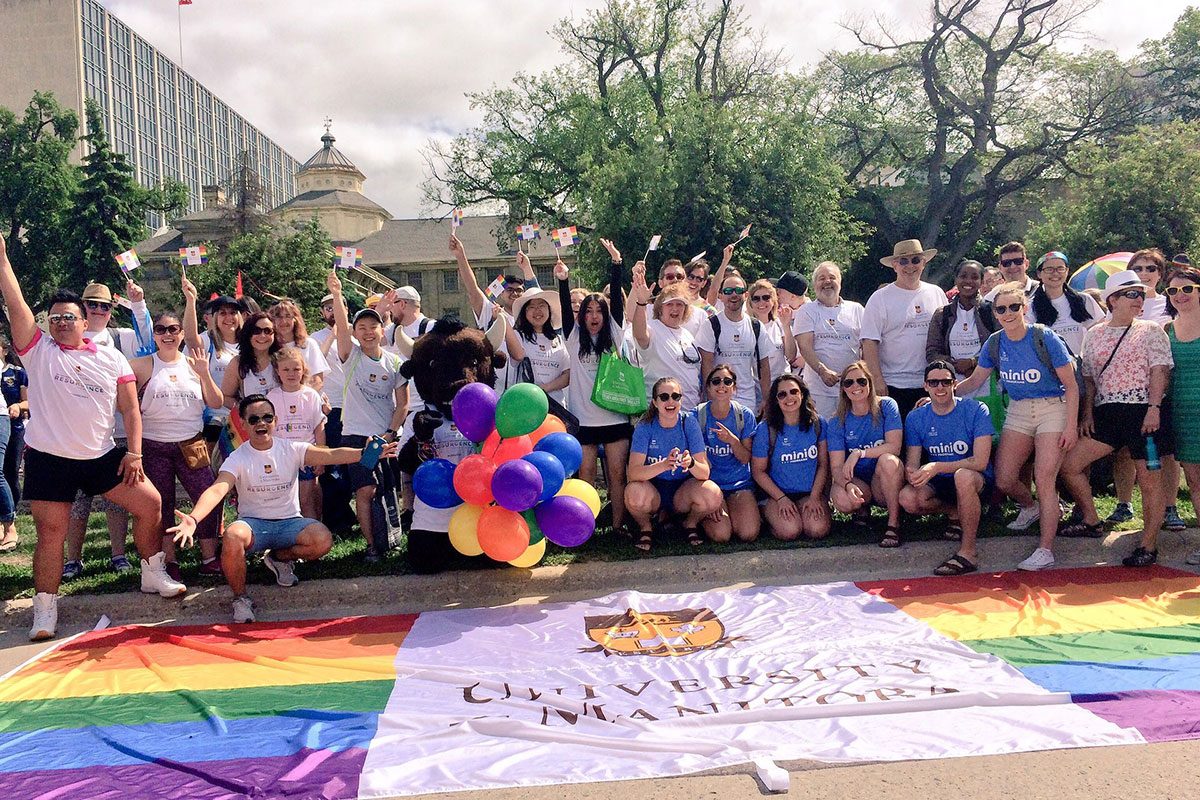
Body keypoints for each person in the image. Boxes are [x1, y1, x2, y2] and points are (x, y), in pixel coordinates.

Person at [0, 233, 185, 641]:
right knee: (52, 533)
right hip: (50, 459)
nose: (62, 322)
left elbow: (130, 408)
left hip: (103, 456)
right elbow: (14, 302)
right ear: (47, 325)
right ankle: (45, 609)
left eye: (70, 316)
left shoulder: (112, 356)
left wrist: (133, 453)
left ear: (87, 321)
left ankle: (152, 572)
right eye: (55, 318)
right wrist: (3, 259)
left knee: (151, 504)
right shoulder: (38, 350)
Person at [168, 394, 395, 623]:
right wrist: (193, 519)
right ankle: (240, 598)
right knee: (233, 535)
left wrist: (365, 454)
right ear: (244, 425)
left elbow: (330, 454)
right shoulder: (237, 458)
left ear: (276, 420)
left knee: (322, 540)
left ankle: (278, 558)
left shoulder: (292, 448)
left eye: (267, 417)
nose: (261, 423)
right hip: (253, 526)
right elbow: (217, 489)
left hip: (289, 523)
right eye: (254, 419)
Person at [955, 282, 1079, 572]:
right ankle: (1031, 507)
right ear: (995, 313)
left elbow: (1072, 386)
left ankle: (1045, 549)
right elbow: (974, 381)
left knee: (1044, 478)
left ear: (1024, 308)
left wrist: (1071, 425)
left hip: (1053, 408)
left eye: (1014, 307)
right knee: (1004, 478)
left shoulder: (1044, 337)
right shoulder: (995, 343)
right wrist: (942, 393)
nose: (1008, 313)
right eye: (1001, 309)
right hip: (1019, 409)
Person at [1057, 270, 1173, 567]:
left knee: (1149, 482)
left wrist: (1154, 408)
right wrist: (1086, 414)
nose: (1140, 299)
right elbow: (1089, 379)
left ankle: (1148, 546)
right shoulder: (1094, 333)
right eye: (1132, 294)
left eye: (1142, 293)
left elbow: (1159, 371)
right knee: (1069, 466)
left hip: (1142, 413)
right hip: (1106, 413)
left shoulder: (1151, 330)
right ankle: (1092, 520)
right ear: (1113, 300)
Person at [63, 279, 155, 579]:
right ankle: (73, 559)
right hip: (78, 434)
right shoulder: (67, 337)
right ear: (82, 307)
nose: (99, 310)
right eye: (93, 304)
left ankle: (118, 554)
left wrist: (138, 303)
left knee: (118, 499)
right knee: (78, 501)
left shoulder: (120, 338)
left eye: (105, 305)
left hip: (115, 431)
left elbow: (148, 342)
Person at [131, 312, 225, 577]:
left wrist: (205, 374)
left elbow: (216, 402)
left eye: (174, 329)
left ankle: (209, 558)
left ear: (182, 333)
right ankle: (169, 560)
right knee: (161, 504)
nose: (168, 335)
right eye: (161, 329)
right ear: (155, 335)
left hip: (191, 443)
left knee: (207, 497)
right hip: (154, 444)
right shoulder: (141, 365)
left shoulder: (194, 364)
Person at [327, 270, 408, 561]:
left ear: (381, 331)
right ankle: (372, 546)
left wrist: (390, 433)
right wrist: (337, 295)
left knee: (388, 489)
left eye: (373, 326)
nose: (367, 331)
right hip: (356, 437)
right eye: (361, 326)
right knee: (365, 490)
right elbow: (339, 322)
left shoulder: (394, 361)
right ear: (355, 332)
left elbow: (402, 405)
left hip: (385, 436)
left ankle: (390, 539)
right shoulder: (351, 356)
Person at [1108, 248, 1185, 531]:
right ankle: (1124, 503)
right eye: (1137, 269)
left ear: (1160, 274)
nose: (1144, 274)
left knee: (1166, 452)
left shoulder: (1171, 303)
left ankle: (1170, 507)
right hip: (1129, 389)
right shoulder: (1124, 302)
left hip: (1167, 385)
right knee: (1125, 450)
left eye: (1150, 269)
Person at [558, 239, 631, 534]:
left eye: (598, 310)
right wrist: (563, 281)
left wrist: (616, 263)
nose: (593, 316)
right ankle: (585, 528)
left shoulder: (614, 335)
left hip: (614, 418)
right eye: (587, 311)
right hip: (582, 421)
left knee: (616, 475)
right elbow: (564, 307)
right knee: (585, 476)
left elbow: (617, 309)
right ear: (581, 316)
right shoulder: (573, 338)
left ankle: (618, 527)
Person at [899, 361, 994, 575]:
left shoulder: (976, 409)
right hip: (940, 481)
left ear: (955, 384)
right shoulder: (916, 417)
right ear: (925, 386)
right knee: (907, 498)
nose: (940, 387)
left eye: (945, 382)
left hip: (976, 478)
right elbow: (913, 460)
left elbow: (980, 461)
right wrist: (913, 473)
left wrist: (936, 466)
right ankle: (955, 512)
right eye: (934, 382)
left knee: (963, 476)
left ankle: (968, 552)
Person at [626, 377, 722, 552]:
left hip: (682, 490)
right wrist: (664, 465)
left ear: (681, 400)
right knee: (633, 493)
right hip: (653, 489)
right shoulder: (645, 426)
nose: (670, 401)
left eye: (675, 396)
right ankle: (646, 527)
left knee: (712, 493)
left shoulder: (689, 422)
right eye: (664, 397)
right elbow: (633, 473)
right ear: (655, 402)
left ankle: (689, 523)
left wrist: (691, 463)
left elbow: (704, 473)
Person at [861, 240, 949, 417]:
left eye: (915, 260)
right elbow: (869, 342)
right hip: (894, 384)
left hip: (932, 383)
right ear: (894, 266)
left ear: (924, 263)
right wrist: (877, 380)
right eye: (903, 261)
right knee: (897, 441)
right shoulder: (879, 298)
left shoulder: (937, 293)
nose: (910, 266)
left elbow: (946, 335)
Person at [827, 361, 904, 547]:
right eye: (849, 383)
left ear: (870, 383)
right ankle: (863, 511)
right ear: (843, 389)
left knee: (888, 460)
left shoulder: (886, 406)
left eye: (861, 381)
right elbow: (836, 466)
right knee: (842, 500)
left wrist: (859, 454)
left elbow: (894, 447)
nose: (856, 387)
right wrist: (846, 485)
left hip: (883, 477)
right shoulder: (837, 421)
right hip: (859, 480)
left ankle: (894, 523)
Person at [451, 235, 539, 390]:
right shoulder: (490, 312)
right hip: (492, 392)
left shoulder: (531, 320)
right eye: (509, 290)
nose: (515, 293)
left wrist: (527, 268)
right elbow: (473, 290)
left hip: (522, 394)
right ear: (501, 293)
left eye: (519, 290)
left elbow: (540, 297)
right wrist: (460, 256)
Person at [753, 374, 831, 540]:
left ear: (802, 394)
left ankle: (800, 514)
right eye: (782, 394)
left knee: (816, 530)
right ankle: (765, 513)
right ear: (776, 400)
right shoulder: (766, 429)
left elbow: (824, 465)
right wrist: (781, 499)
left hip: (808, 493)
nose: (789, 397)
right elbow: (758, 471)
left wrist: (815, 497)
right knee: (790, 531)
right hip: (777, 495)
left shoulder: (818, 423)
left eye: (794, 391)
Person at [695, 260, 771, 412]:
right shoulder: (711, 325)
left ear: (746, 294)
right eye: (728, 291)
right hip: (719, 400)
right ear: (721, 296)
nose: (733, 295)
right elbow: (706, 365)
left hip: (748, 402)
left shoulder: (756, 326)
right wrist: (712, 400)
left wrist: (766, 399)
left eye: (738, 291)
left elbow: (763, 366)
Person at [308, 292, 356, 533]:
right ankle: (337, 520)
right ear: (321, 313)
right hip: (332, 408)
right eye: (326, 308)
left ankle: (350, 514)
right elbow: (313, 366)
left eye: (335, 306)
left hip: (356, 409)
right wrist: (333, 336)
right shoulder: (314, 339)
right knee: (333, 466)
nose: (331, 311)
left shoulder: (358, 333)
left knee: (353, 464)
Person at [696, 365, 760, 543]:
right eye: (716, 381)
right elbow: (695, 461)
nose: (721, 385)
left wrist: (732, 440)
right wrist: (711, 496)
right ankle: (698, 515)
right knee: (721, 535)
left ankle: (741, 509)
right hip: (710, 485)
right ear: (708, 388)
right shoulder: (698, 415)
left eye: (727, 381)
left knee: (748, 533)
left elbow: (746, 457)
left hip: (739, 484)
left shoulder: (744, 415)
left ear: (734, 387)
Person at [796, 261, 864, 419]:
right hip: (819, 391)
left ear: (840, 282)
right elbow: (804, 346)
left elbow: (866, 346)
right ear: (814, 285)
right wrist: (822, 371)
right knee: (822, 435)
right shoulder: (806, 311)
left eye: (832, 277)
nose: (827, 282)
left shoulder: (857, 309)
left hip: (853, 389)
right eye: (821, 278)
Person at [630, 265, 703, 410]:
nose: (675, 309)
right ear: (660, 308)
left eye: (680, 304)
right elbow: (640, 335)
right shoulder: (653, 328)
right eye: (670, 304)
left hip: (690, 412)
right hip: (662, 415)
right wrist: (641, 302)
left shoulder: (687, 335)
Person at [1164, 266, 1200, 562]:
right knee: (1196, 482)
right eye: (1173, 290)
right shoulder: (1166, 330)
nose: (1180, 295)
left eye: (1187, 288)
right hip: (1184, 416)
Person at [266, 348, 327, 521]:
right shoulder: (272, 396)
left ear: (303, 370)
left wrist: (321, 455)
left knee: (306, 499)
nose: (291, 374)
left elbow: (319, 427)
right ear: (278, 371)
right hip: (281, 457)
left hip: (307, 455)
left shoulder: (311, 395)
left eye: (296, 369)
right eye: (286, 369)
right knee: (285, 501)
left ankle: (314, 533)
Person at [182, 282, 243, 454]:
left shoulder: (249, 343)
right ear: (214, 317)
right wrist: (190, 301)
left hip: (244, 419)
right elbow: (190, 338)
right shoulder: (208, 341)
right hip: (214, 421)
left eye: (233, 313)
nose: (228, 317)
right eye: (222, 313)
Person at [925, 260, 997, 398]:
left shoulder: (992, 311)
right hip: (951, 386)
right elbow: (932, 352)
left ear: (982, 282)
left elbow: (1000, 347)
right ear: (956, 279)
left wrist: (972, 363)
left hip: (987, 385)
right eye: (963, 276)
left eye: (975, 277)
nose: (968, 281)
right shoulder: (942, 314)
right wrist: (953, 365)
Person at [1025, 252, 1105, 356]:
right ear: (1039, 274)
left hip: (1082, 365)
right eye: (1049, 269)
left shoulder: (1083, 300)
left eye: (1060, 268)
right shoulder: (1030, 307)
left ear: (1067, 271)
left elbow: (1100, 331)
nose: (1055, 273)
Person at [505, 287, 569, 405]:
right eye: (532, 307)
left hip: (556, 407)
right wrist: (502, 319)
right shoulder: (518, 336)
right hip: (526, 404)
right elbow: (518, 355)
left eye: (541, 306)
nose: (537, 311)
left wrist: (545, 388)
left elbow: (567, 374)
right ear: (524, 313)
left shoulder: (559, 340)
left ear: (549, 310)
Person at [0, 334, 27, 552]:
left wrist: (19, 405)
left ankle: (10, 520)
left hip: (14, 426)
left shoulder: (16, 373)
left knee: (8, 472)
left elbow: (29, 399)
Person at [745, 279, 798, 387]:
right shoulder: (745, 326)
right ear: (750, 302)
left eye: (766, 298)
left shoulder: (780, 324)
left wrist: (786, 326)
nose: (762, 302)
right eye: (756, 299)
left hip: (781, 384)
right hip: (756, 386)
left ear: (773, 300)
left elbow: (791, 356)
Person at [222, 311, 281, 407]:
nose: (262, 336)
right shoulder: (237, 363)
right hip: (252, 419)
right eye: (256, 331)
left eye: (267, 331)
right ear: (248, 334)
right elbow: (226, 397)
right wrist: (245, 409)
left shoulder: (282, 360)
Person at [269, 298, 328, 392]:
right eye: (278, 316)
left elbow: (318, 380)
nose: (283, 321)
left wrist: (300, 399)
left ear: (295, 319)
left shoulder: (309, 344)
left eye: (288, 316)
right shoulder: (268, 347)